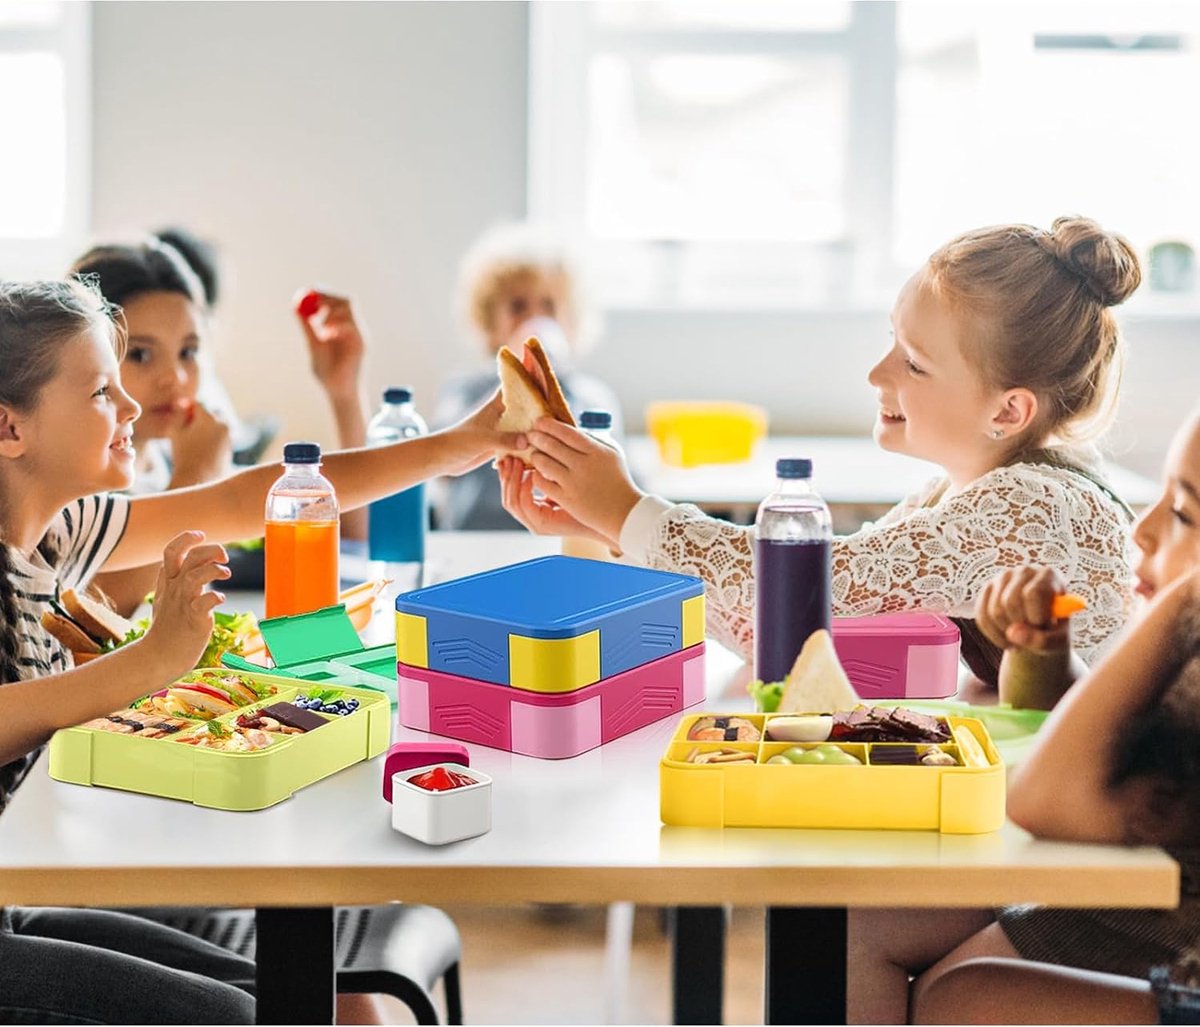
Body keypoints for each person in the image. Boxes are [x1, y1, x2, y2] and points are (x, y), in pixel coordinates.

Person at [0, 277, 517, 1022]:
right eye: (102, 392)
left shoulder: (58, 531)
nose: (131, 408)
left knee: (284, 998)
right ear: (10, 428)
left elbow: (249, 499)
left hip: (12, 909)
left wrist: (456, 447)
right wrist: (150, 660)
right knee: (245, 1017)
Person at [499, 216, 1142, 687]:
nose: (877, 373)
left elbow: (801, 582)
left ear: (1008, 412)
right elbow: (787, 625)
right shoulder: (957, 493)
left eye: (914, 363)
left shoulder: (1031, 508)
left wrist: (626, 510)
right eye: (891, 342)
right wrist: (610, 529)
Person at [845, 408, 1200, 1023]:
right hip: (1141, 908)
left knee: (962, 1000)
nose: (1142, 531)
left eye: (1184, 515)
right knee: (856, 924)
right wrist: (1044, 660)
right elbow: (1103, 754)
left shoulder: (1183, 626)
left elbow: (1044, 800)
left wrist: (1181, 597)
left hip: (1176, 942)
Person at [436, 221, 623, 529]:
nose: (534, 318)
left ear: (572, 321)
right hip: (477, 537)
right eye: (518, 306)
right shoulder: (467, 389)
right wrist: (516, 380)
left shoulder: (591, 396)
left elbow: (618, 481)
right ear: (490, 322)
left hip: (559, 536)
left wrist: (552, 381)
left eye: (548, 306)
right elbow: (442, 462)